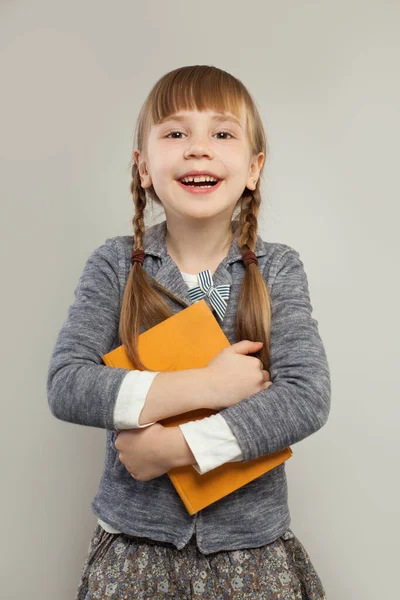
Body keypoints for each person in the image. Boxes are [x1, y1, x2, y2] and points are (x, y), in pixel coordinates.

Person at [47, 64, 331, 599]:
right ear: (143, 167)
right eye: (175, 133)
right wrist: (209, 386)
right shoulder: (115, 265)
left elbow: (306, 397)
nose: (198, 148)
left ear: (254, 168)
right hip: (135, 554)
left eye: (222, 134)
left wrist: (175, 448)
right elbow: (67, 384)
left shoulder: (278, 269)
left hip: (253, 556)